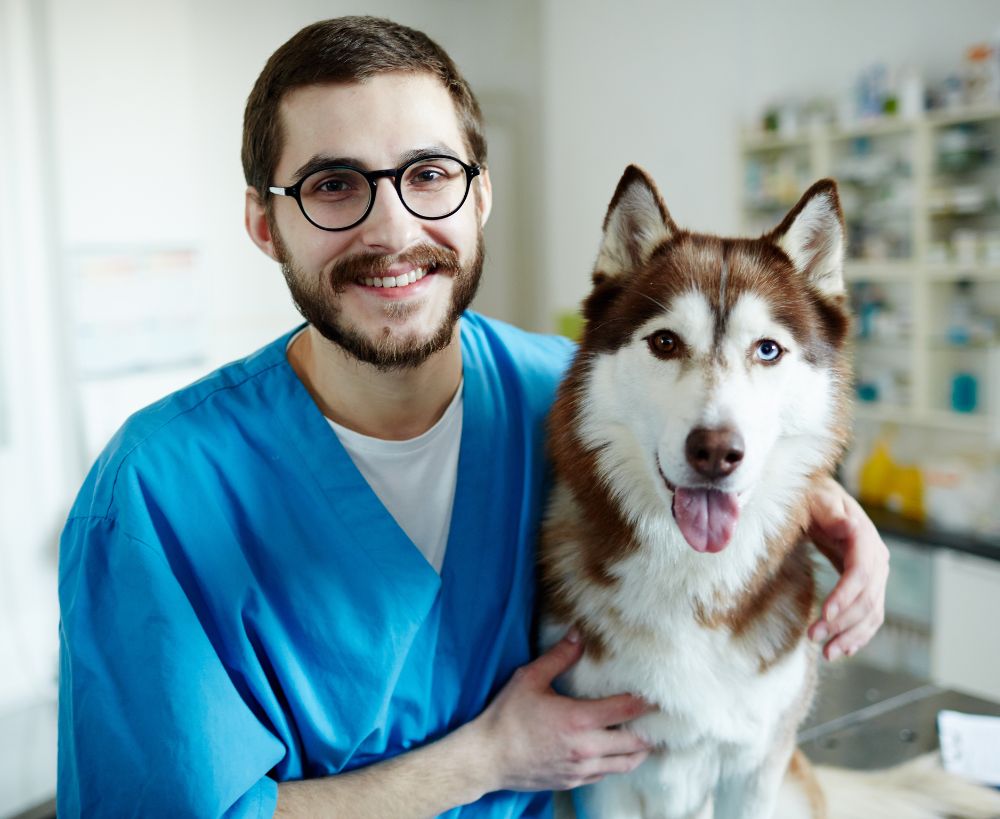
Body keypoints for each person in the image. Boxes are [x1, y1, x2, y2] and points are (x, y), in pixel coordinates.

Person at [56, 16, 889, 819]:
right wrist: (485, 760)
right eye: (333, 185)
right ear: (263, 224)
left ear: (479, 195)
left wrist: (842, 522)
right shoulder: (153, 494)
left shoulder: (548, 389)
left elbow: (704, 448)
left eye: (428, 174)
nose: (392, 229)